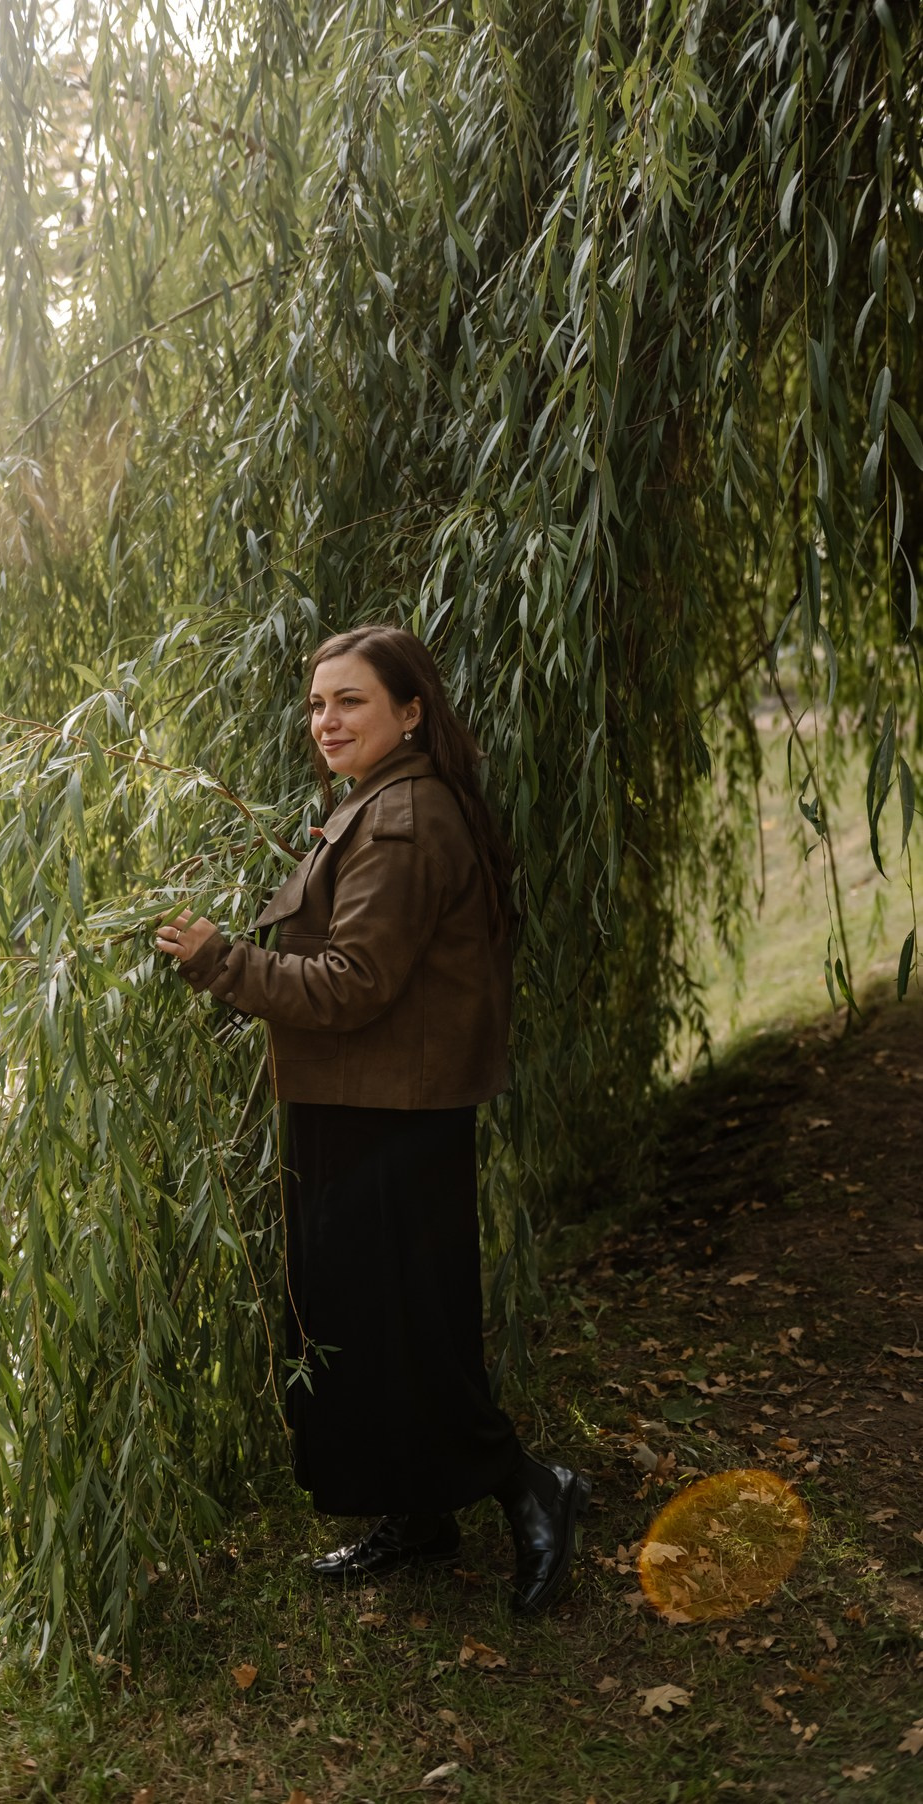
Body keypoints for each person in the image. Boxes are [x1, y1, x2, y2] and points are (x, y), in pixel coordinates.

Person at [155, 624, 588, 1609]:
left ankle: (536, 1490)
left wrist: (225, 961)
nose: (326, 720)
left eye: (349, 700)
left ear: (409, 710)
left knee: (407, 1331)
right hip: (376, 1103)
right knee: (376, 1324)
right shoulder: (391, 803)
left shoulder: (396, 822)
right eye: (316, 704)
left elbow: (353, 985)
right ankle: (420, 1513)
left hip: (384, 1115)